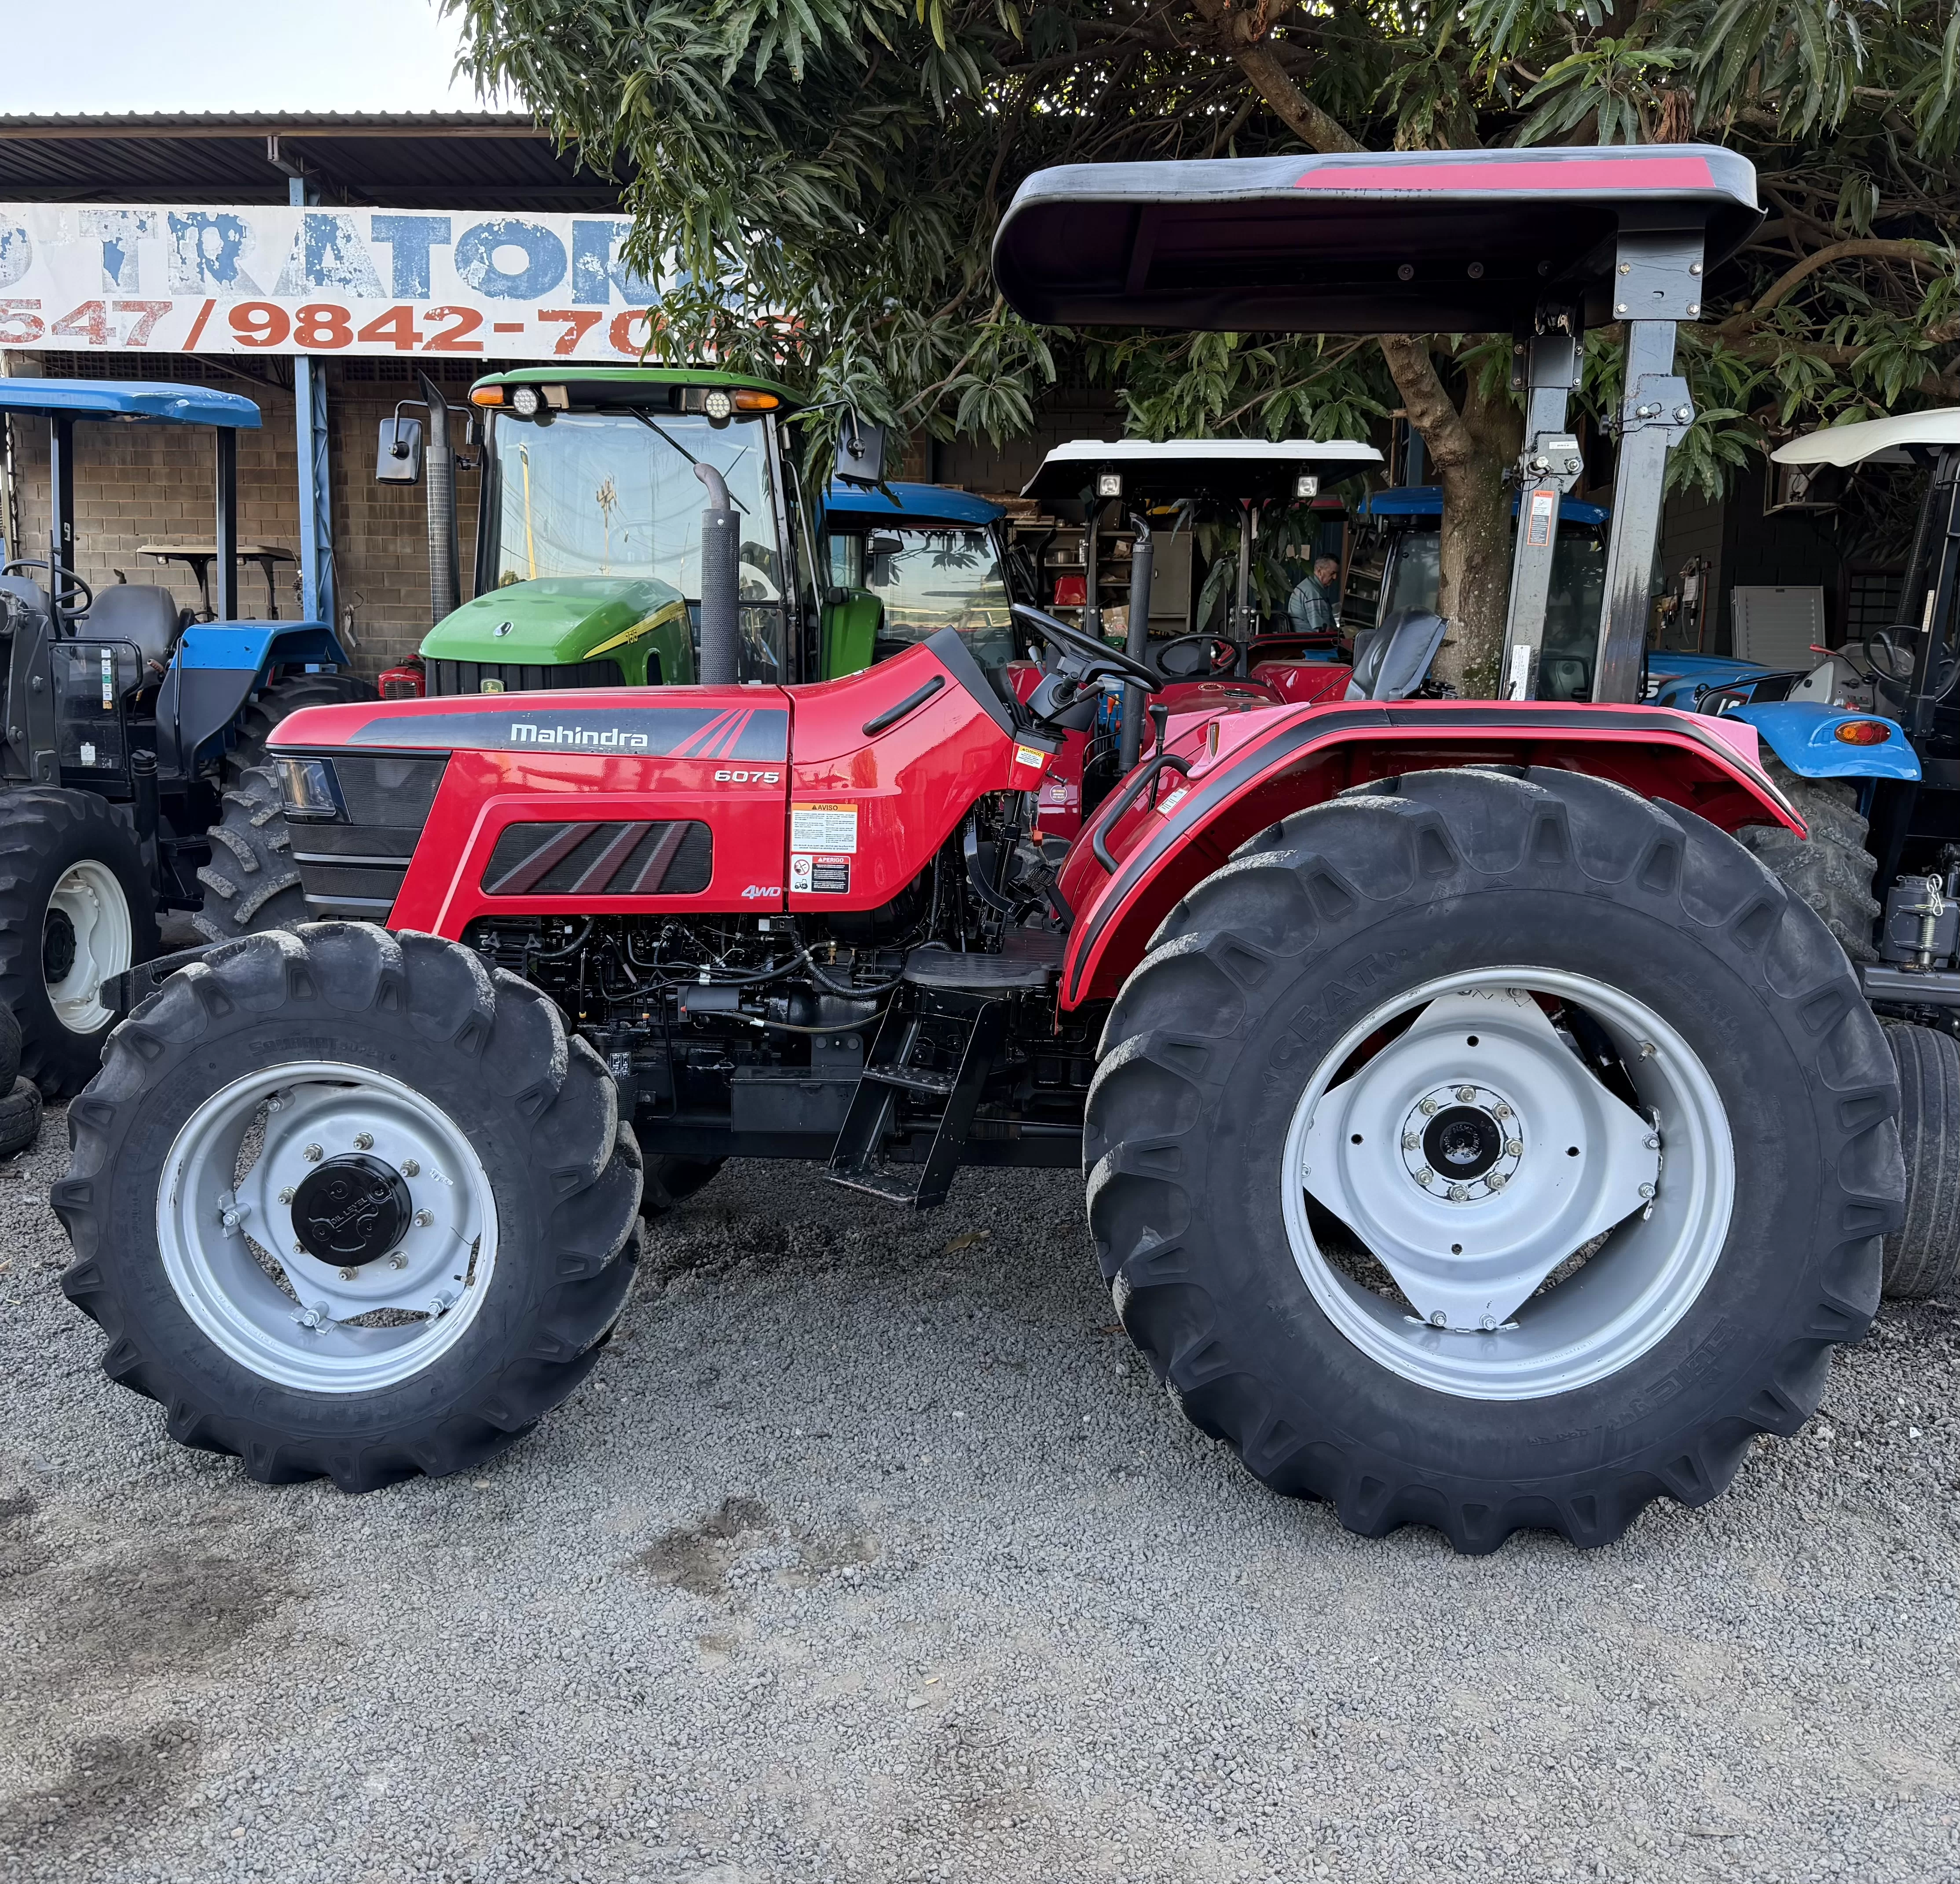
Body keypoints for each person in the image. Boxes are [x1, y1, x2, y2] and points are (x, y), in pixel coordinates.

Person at [1286, 554, 1343, 636]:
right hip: (1310, 642)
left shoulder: (1309, 586)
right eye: (1332, 573)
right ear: (1320, 571)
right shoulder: (1313, 593)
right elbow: (1323, 630)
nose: (1335, 577)